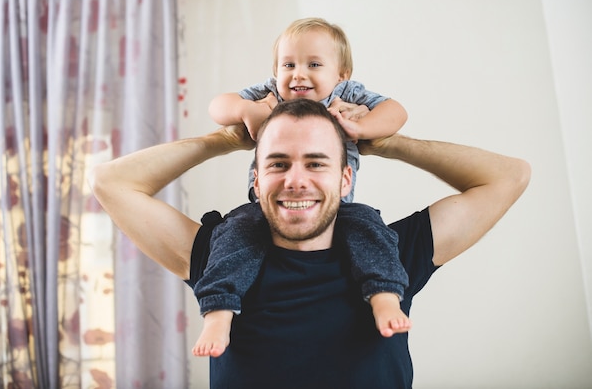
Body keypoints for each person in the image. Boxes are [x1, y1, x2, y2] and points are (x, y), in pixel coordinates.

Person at [90, 98, 530, 388]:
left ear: (345, 178)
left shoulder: (390, 256)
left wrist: (389, 143)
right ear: (256, 179)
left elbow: (510, 176)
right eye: (278, 163)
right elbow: (111, 182)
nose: (296, 180)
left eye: (316, 163)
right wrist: (222, 140)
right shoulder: (221, 258)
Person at [195, 17, 410, 357]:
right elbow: (216, 106)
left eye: (313, 64)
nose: (298, 74)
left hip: (338, 209)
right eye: (289, 64)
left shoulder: (347, 96)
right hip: (264, 208)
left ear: (342, 74)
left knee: (371, 230)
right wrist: (246, 109)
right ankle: (218, 313)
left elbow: (396, 112)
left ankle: (384, 297)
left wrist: (363, 128)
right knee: (232, 237)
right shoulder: (270, 95)